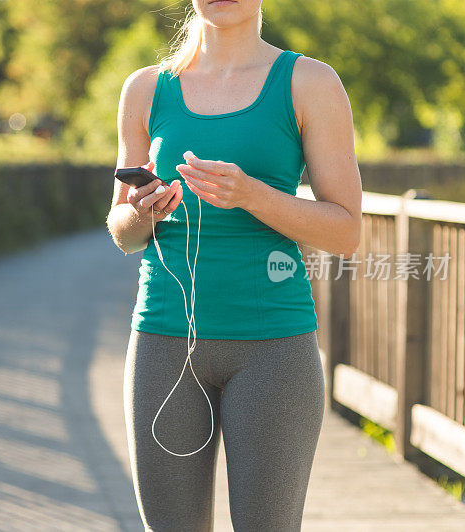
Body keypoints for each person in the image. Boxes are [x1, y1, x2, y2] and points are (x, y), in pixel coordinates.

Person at [105, 1, 363, 530]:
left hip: (274, 352)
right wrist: (142, 211)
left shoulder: (309, 82)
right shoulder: (145, 89)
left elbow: (345, 232)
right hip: (163, 344)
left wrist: (251, 195)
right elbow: (123, 233)